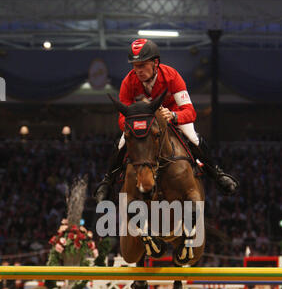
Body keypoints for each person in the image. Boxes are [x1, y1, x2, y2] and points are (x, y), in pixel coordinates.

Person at [95, 39, 239, 202]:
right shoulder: (128, 82)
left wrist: (174, 116)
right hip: (142, 125)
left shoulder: (172, 76)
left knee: (193, 138)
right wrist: (134, 126)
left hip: (172, 117)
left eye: (142, 65)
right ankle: (107, 182)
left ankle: (217, 174)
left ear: (155, 63)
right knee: (121, 143)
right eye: (135, 66)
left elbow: (190, 112)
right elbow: (122, 118)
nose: (138, 70)